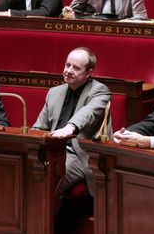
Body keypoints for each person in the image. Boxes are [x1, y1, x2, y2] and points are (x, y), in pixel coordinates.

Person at [32, 47, 111, 196]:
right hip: (52, 149)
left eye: (76, 68)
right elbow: (39, 126)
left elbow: (89, 112)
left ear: (88, 73)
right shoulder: (54, 92)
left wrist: (71, 127)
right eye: (67, 65)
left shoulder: (100, 91)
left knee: (48, 179)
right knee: (25, 171)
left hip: (78, 154)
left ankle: (42, 220)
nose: (68, 70)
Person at [61, 0, 148, 20]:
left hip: (120, 34)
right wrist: (71, 15)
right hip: (93, 31)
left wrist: (121, 23)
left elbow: (141, 17)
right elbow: (74, 11)